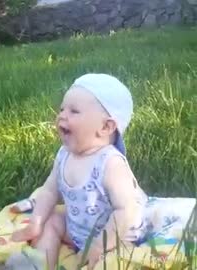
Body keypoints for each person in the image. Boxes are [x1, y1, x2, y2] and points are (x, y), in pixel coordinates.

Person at [8, 73, 149, 269]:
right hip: (78, 231)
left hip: (116, 236)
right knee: (53, 222)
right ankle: (37, 263)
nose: (62, 115)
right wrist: (36, 223)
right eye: (62, 109)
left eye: (74, 111)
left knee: (116, 260)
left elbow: (126, 210)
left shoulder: (110, 163)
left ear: (106, 126)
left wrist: (99, 246)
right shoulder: (64, 154)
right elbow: (49, 190)